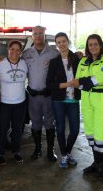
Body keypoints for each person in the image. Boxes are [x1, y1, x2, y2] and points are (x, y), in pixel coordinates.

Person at [72, 34, 103, 180]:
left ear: (101, 45)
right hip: (87, 100)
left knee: (102, 134)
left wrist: (88, 81)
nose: (93, 47)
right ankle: (96, 163)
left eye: (95, 44)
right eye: (90, 44)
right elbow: (78, 80)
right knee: (91, 132)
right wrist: (88, 82)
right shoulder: (83, 61)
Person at [22, 26, 59, 162]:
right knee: (35, 123)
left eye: (40, 34)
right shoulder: (26, 54)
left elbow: (60, 72)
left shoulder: (54, 53)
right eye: (35, 34)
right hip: (33, 96)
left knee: (50, 123)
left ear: (44, 35)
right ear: (32, 36)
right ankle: (37, 149)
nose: (38, 36)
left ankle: (51, 150)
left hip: (48, 96)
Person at [46, 32, 81, 168]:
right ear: (56, 44)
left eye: (64, 41)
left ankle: (67, 152)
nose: (61, 44)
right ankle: (65, 155)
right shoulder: (54, 62)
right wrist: (67, 84)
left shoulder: (77, 59)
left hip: (73, 99)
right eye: (59, 42)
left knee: (75, 129)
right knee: (60, 129)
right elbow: (49, 84)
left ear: (68, 42)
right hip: (58, 100)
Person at [0, 40, 28, 164]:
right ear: (8, 50)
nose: (15, 52)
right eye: (12, 49)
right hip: (4, 103)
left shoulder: (25, 64)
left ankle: (16, 151)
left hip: (20, 103)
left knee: (17, 129)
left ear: (21, 52)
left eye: (17, 49)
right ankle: (0, 153)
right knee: (2, 129)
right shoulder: (0, 64)